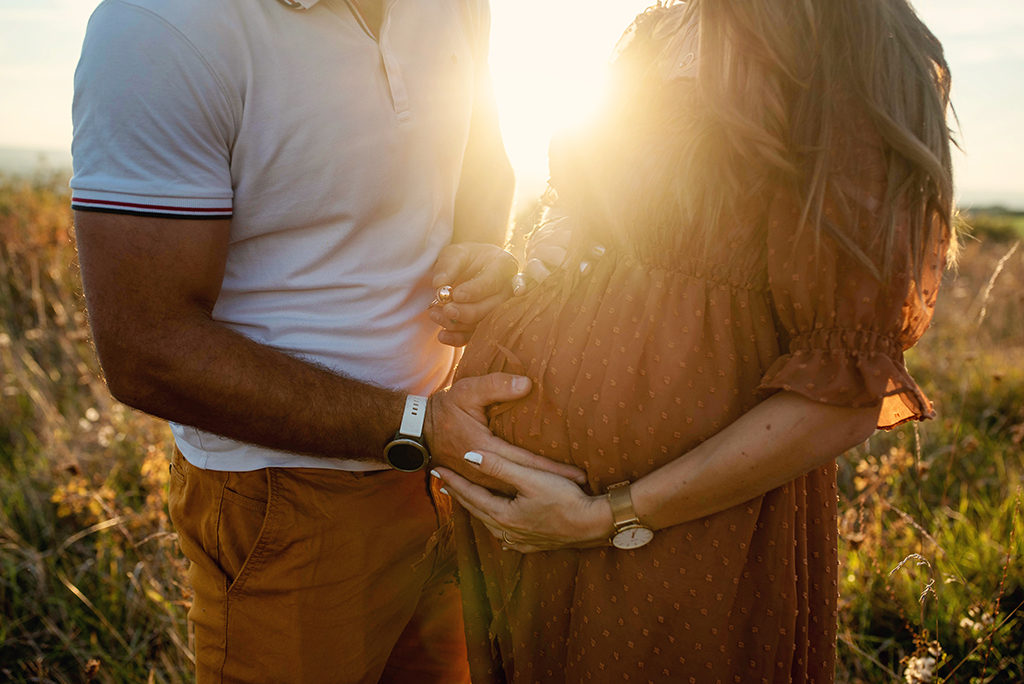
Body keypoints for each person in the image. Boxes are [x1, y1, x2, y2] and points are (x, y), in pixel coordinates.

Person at [432, 0, 956, 681]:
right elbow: (594, 226)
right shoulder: (662, 28)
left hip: (676, 533)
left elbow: (841, 394)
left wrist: (606, 517)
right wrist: (522, 279)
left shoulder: (851, 39)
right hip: (530, 532)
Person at [70, 0, 584, 681]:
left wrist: (483, 250)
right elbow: (148, 350)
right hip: (284, 501)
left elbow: (481, 157)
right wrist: (418, 425)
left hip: (451, 472)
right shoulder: (161, 26)